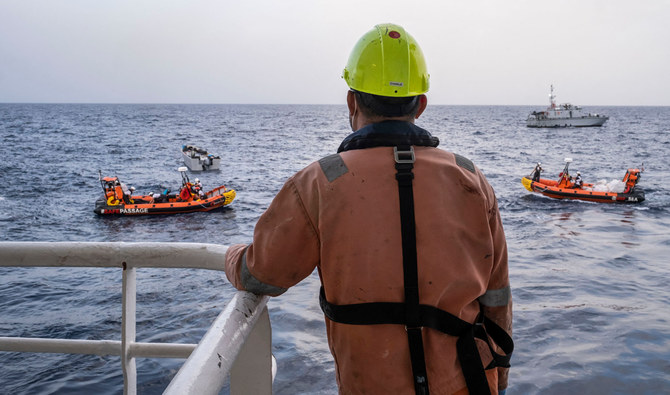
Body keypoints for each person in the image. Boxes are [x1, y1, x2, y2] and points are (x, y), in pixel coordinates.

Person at [224, 23, 513, 395]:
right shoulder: (472, 178)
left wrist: (231, 257)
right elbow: (497, 297)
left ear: (352, 101)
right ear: (420, 105)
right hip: (472, 383)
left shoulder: (319, 182)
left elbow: (261, 276)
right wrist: (500, 378)